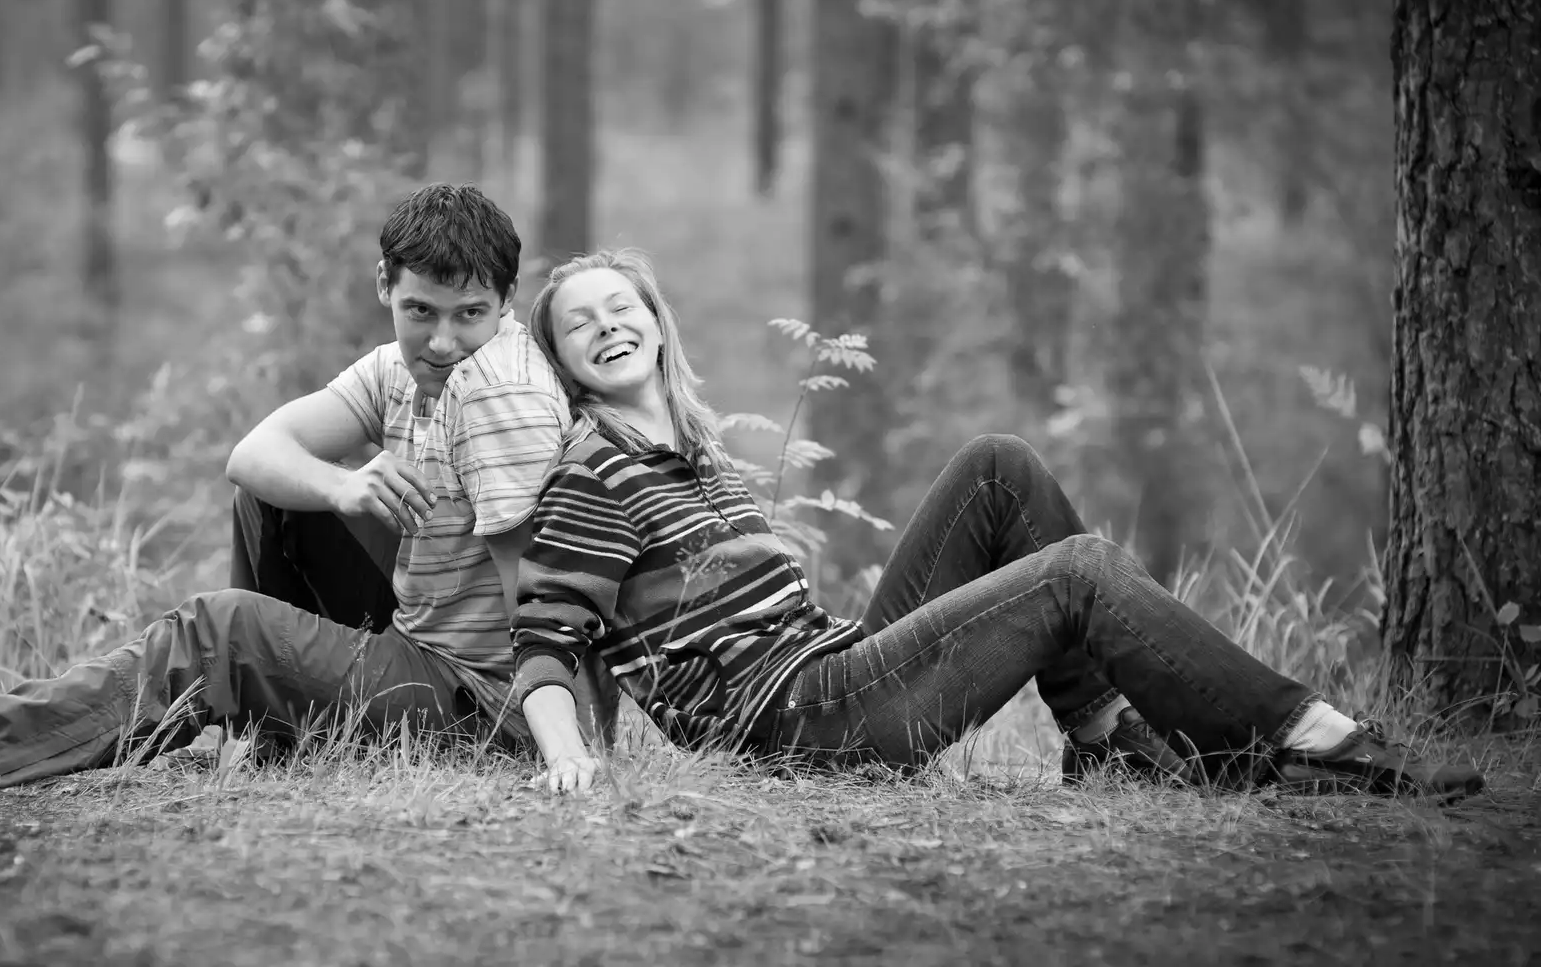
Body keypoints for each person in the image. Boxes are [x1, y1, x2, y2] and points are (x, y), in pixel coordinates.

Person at [507, 248, 1486, 802]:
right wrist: (566, 757)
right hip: (796, 725)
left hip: (834, 667)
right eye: (577, 324)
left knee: (997, 467)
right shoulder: (595, 473)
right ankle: (1308, 737)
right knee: (1079, 571)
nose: (604, 324)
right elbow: (547, 637)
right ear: (564, 363)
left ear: (657, 322)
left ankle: (1105, 739)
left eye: (619, 304)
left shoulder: (699, 456)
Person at [0, 184, 613, 792]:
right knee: (279, 497)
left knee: (219, 629)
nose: (442, 340)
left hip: (486, 709)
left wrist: (567, 750)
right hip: (434, 654)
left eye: (469, 314)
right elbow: (255, 453)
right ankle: (277, 731)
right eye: (420, 310)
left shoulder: (497, 392)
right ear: (383, 288)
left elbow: (539, 604)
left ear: (507, 301)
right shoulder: (405, 368)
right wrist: (342, 488)